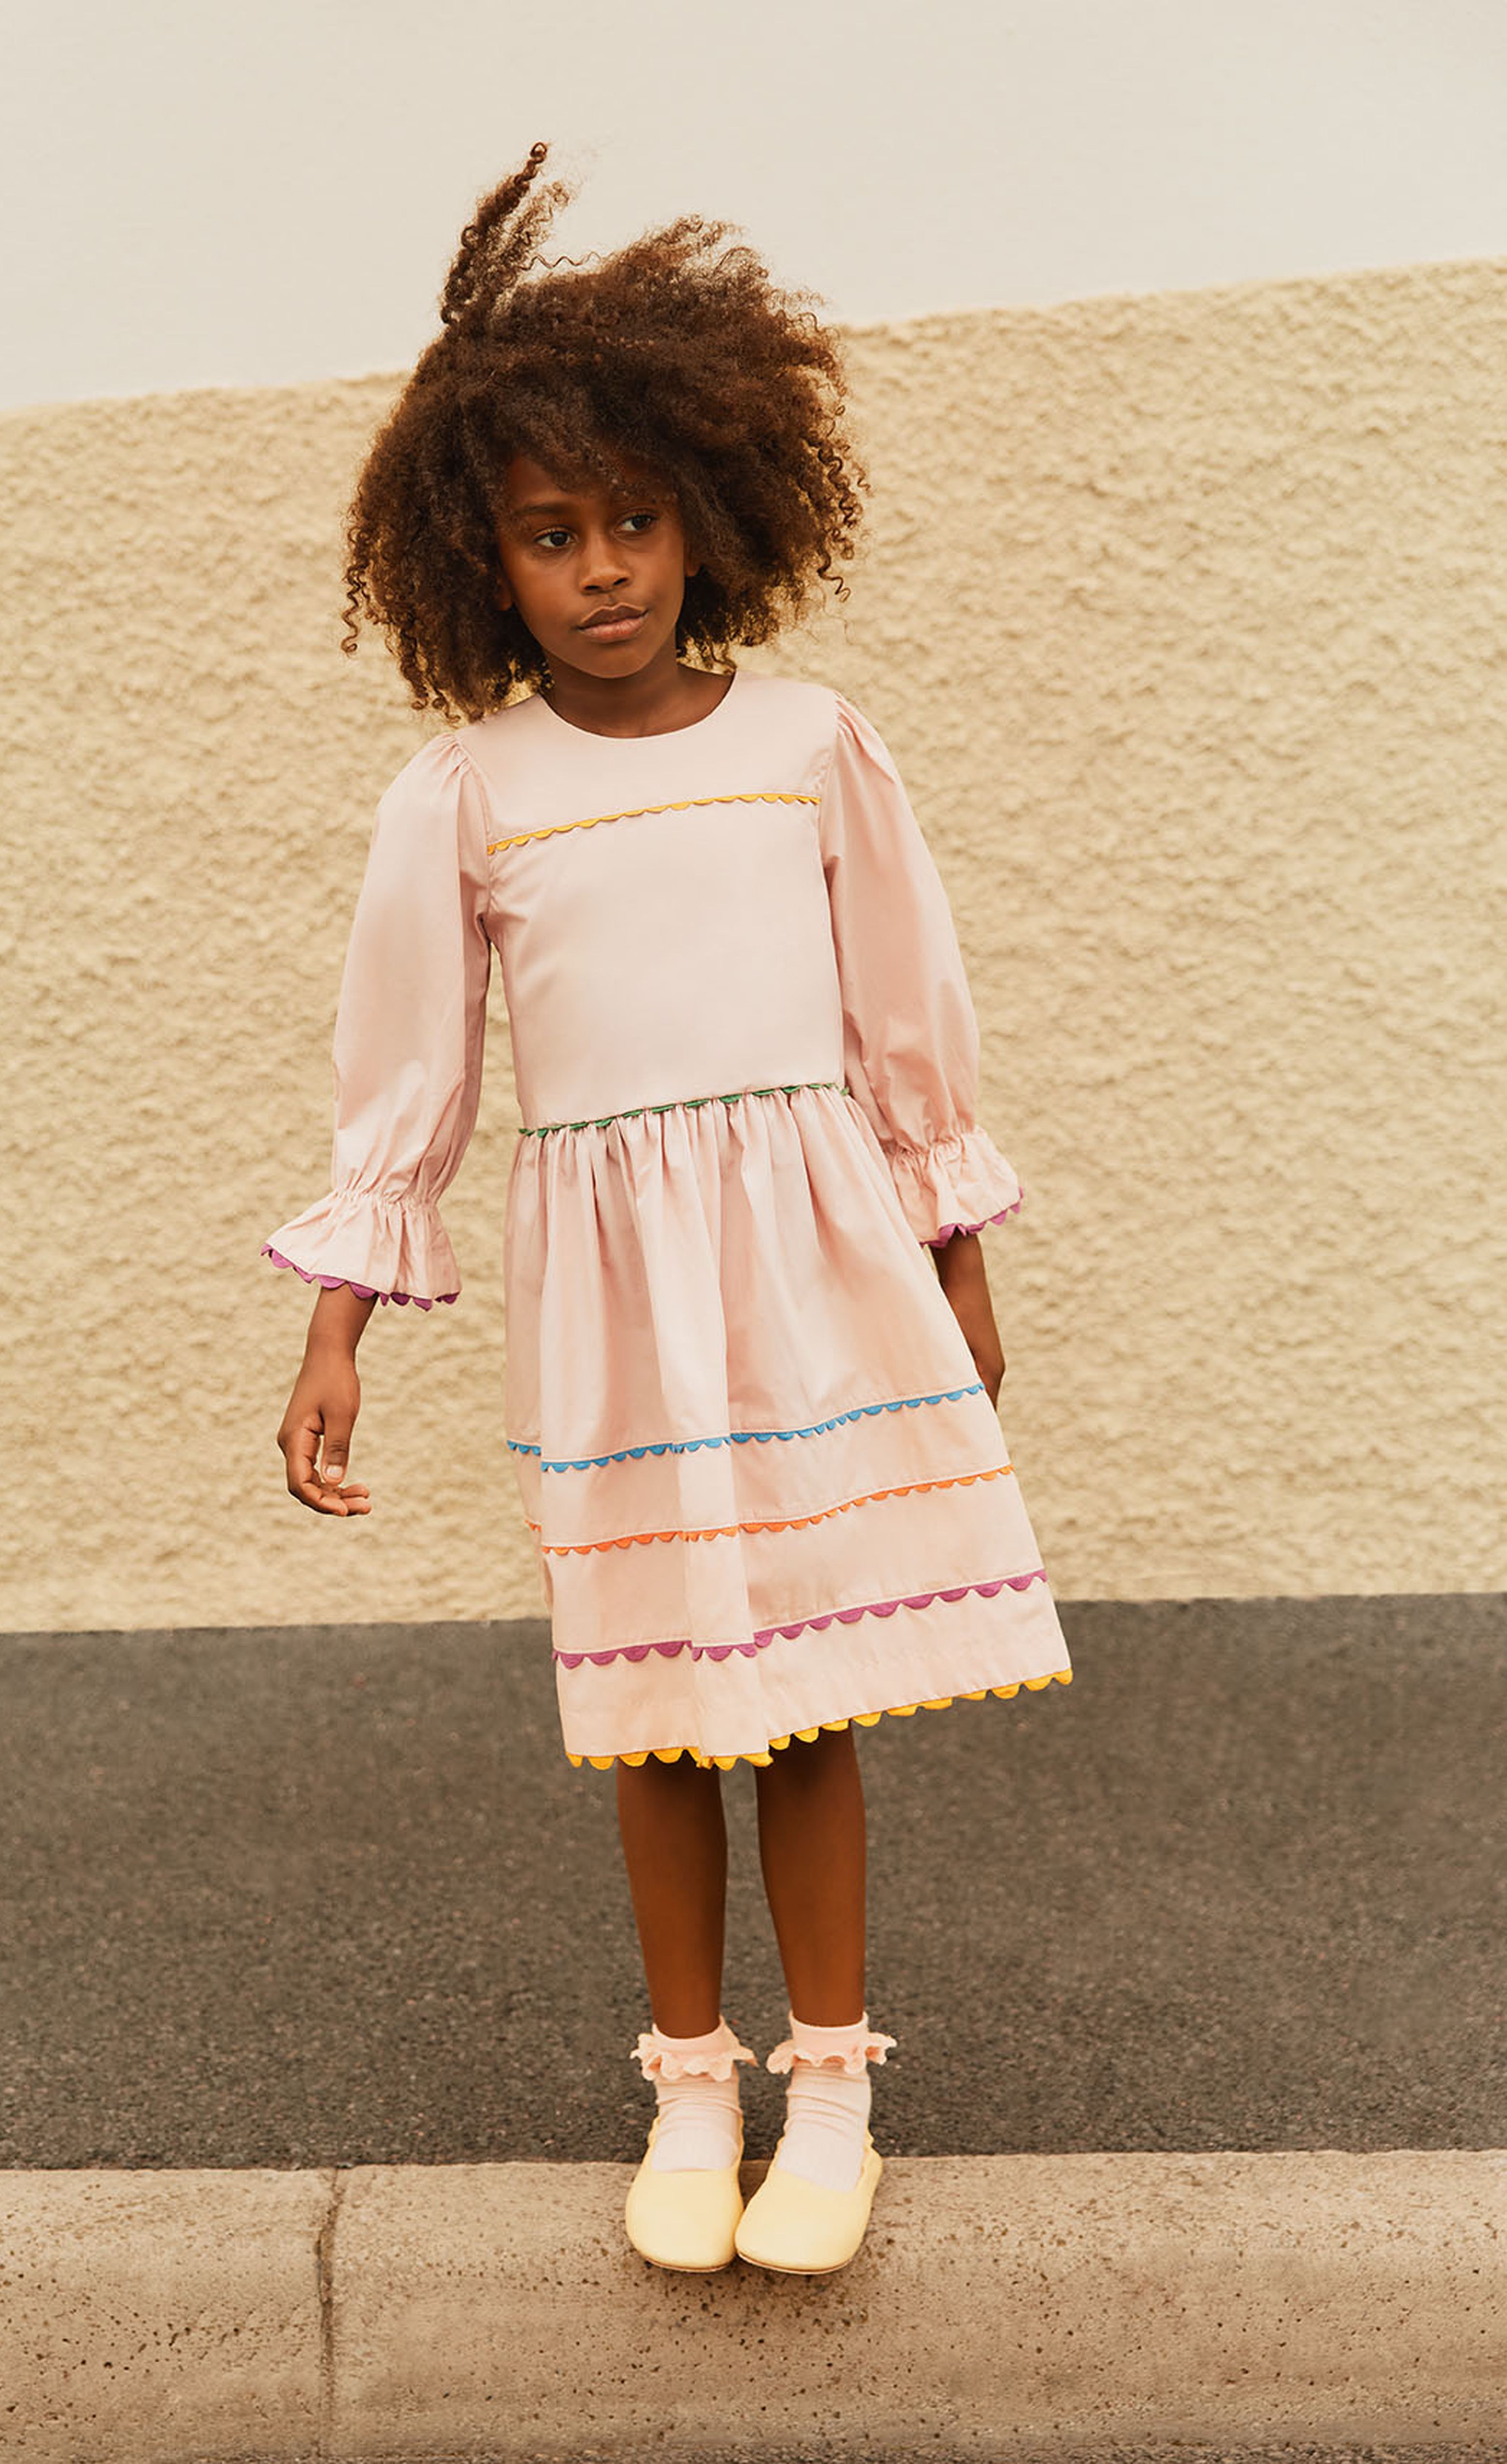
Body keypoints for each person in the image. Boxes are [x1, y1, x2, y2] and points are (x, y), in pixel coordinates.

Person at [265, 143, 1073, 2277]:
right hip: (617, 1295)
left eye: (633, 519)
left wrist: (958, 1257)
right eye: (552, 534)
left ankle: (835, 2085)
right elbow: (410, 1077)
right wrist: (339, 1328)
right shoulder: (470, 793)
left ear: (711, 512)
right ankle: (691, 2079)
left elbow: (905, 1022)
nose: (602, 568)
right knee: (651, 1691)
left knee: (805, 1689)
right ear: (484, 557)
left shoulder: (811, 744)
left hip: (809, 1271)